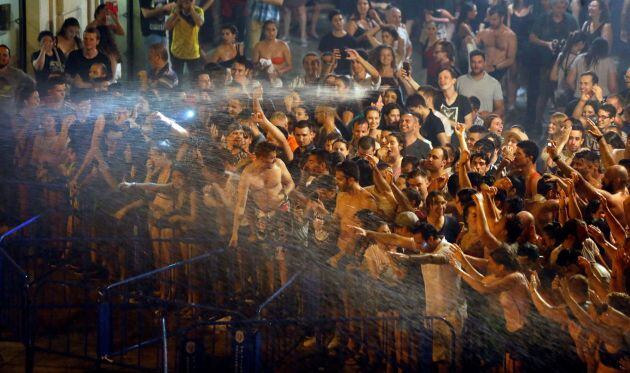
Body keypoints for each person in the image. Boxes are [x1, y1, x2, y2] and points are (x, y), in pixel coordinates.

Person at [528, 0, 579, 135]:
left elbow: (578, 39)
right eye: (558, 5)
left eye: (564, 6)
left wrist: (569, 46)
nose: (561, 8)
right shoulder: (543, 19)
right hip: (545, 63)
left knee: (561, 96)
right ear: (552, 6)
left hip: (565, 64)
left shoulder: (571, 20)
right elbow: (532, 37)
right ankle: (538, 123)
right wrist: (546, 44)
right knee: (543, 94)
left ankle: (559, 127)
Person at [456, 50, 505, 118]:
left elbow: (500, 109)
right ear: (470, 63)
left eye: (479, 62)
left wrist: (489, 115)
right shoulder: (459, 81)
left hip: (485, 125)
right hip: (464, 125)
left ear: (484, 63)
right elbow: (453, 104)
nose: (476, 65)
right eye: (473, 62)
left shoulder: (494, 83)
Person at [475, 5, 517, 82]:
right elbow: (474, 50)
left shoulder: (510, 35)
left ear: (502, 18)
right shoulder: (483, 33)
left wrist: (496, 67)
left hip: (500, 70)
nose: (491, 22)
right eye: (490, 19)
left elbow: (511, 59)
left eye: (494, 19)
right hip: (484, 69)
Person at [165, 0, 204, 80]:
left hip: (193, 52)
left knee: (195, 80)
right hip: (177, 51)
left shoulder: (198, 10)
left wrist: (191, 9)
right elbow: (167, 27)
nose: (187, 2)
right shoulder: (175, 10)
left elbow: (199, 23)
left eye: (190, 1)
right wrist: (176, 14)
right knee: (177, 80)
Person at [318, 10, 357, 76]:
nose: (339, 22)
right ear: (331, 22)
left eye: (340, 19)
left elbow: (355, 61)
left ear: (343, 20)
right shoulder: (325, 39)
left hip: (347, 74)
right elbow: (321, 60)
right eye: (335, 20)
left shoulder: (351, 40)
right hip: (330, 74)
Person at [0, 45, 35, 113]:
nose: (1, 57)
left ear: (9, 58)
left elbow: (32, 83)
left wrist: (22, 99)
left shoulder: (17, 74)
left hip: (10, 116)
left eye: (4, 55)